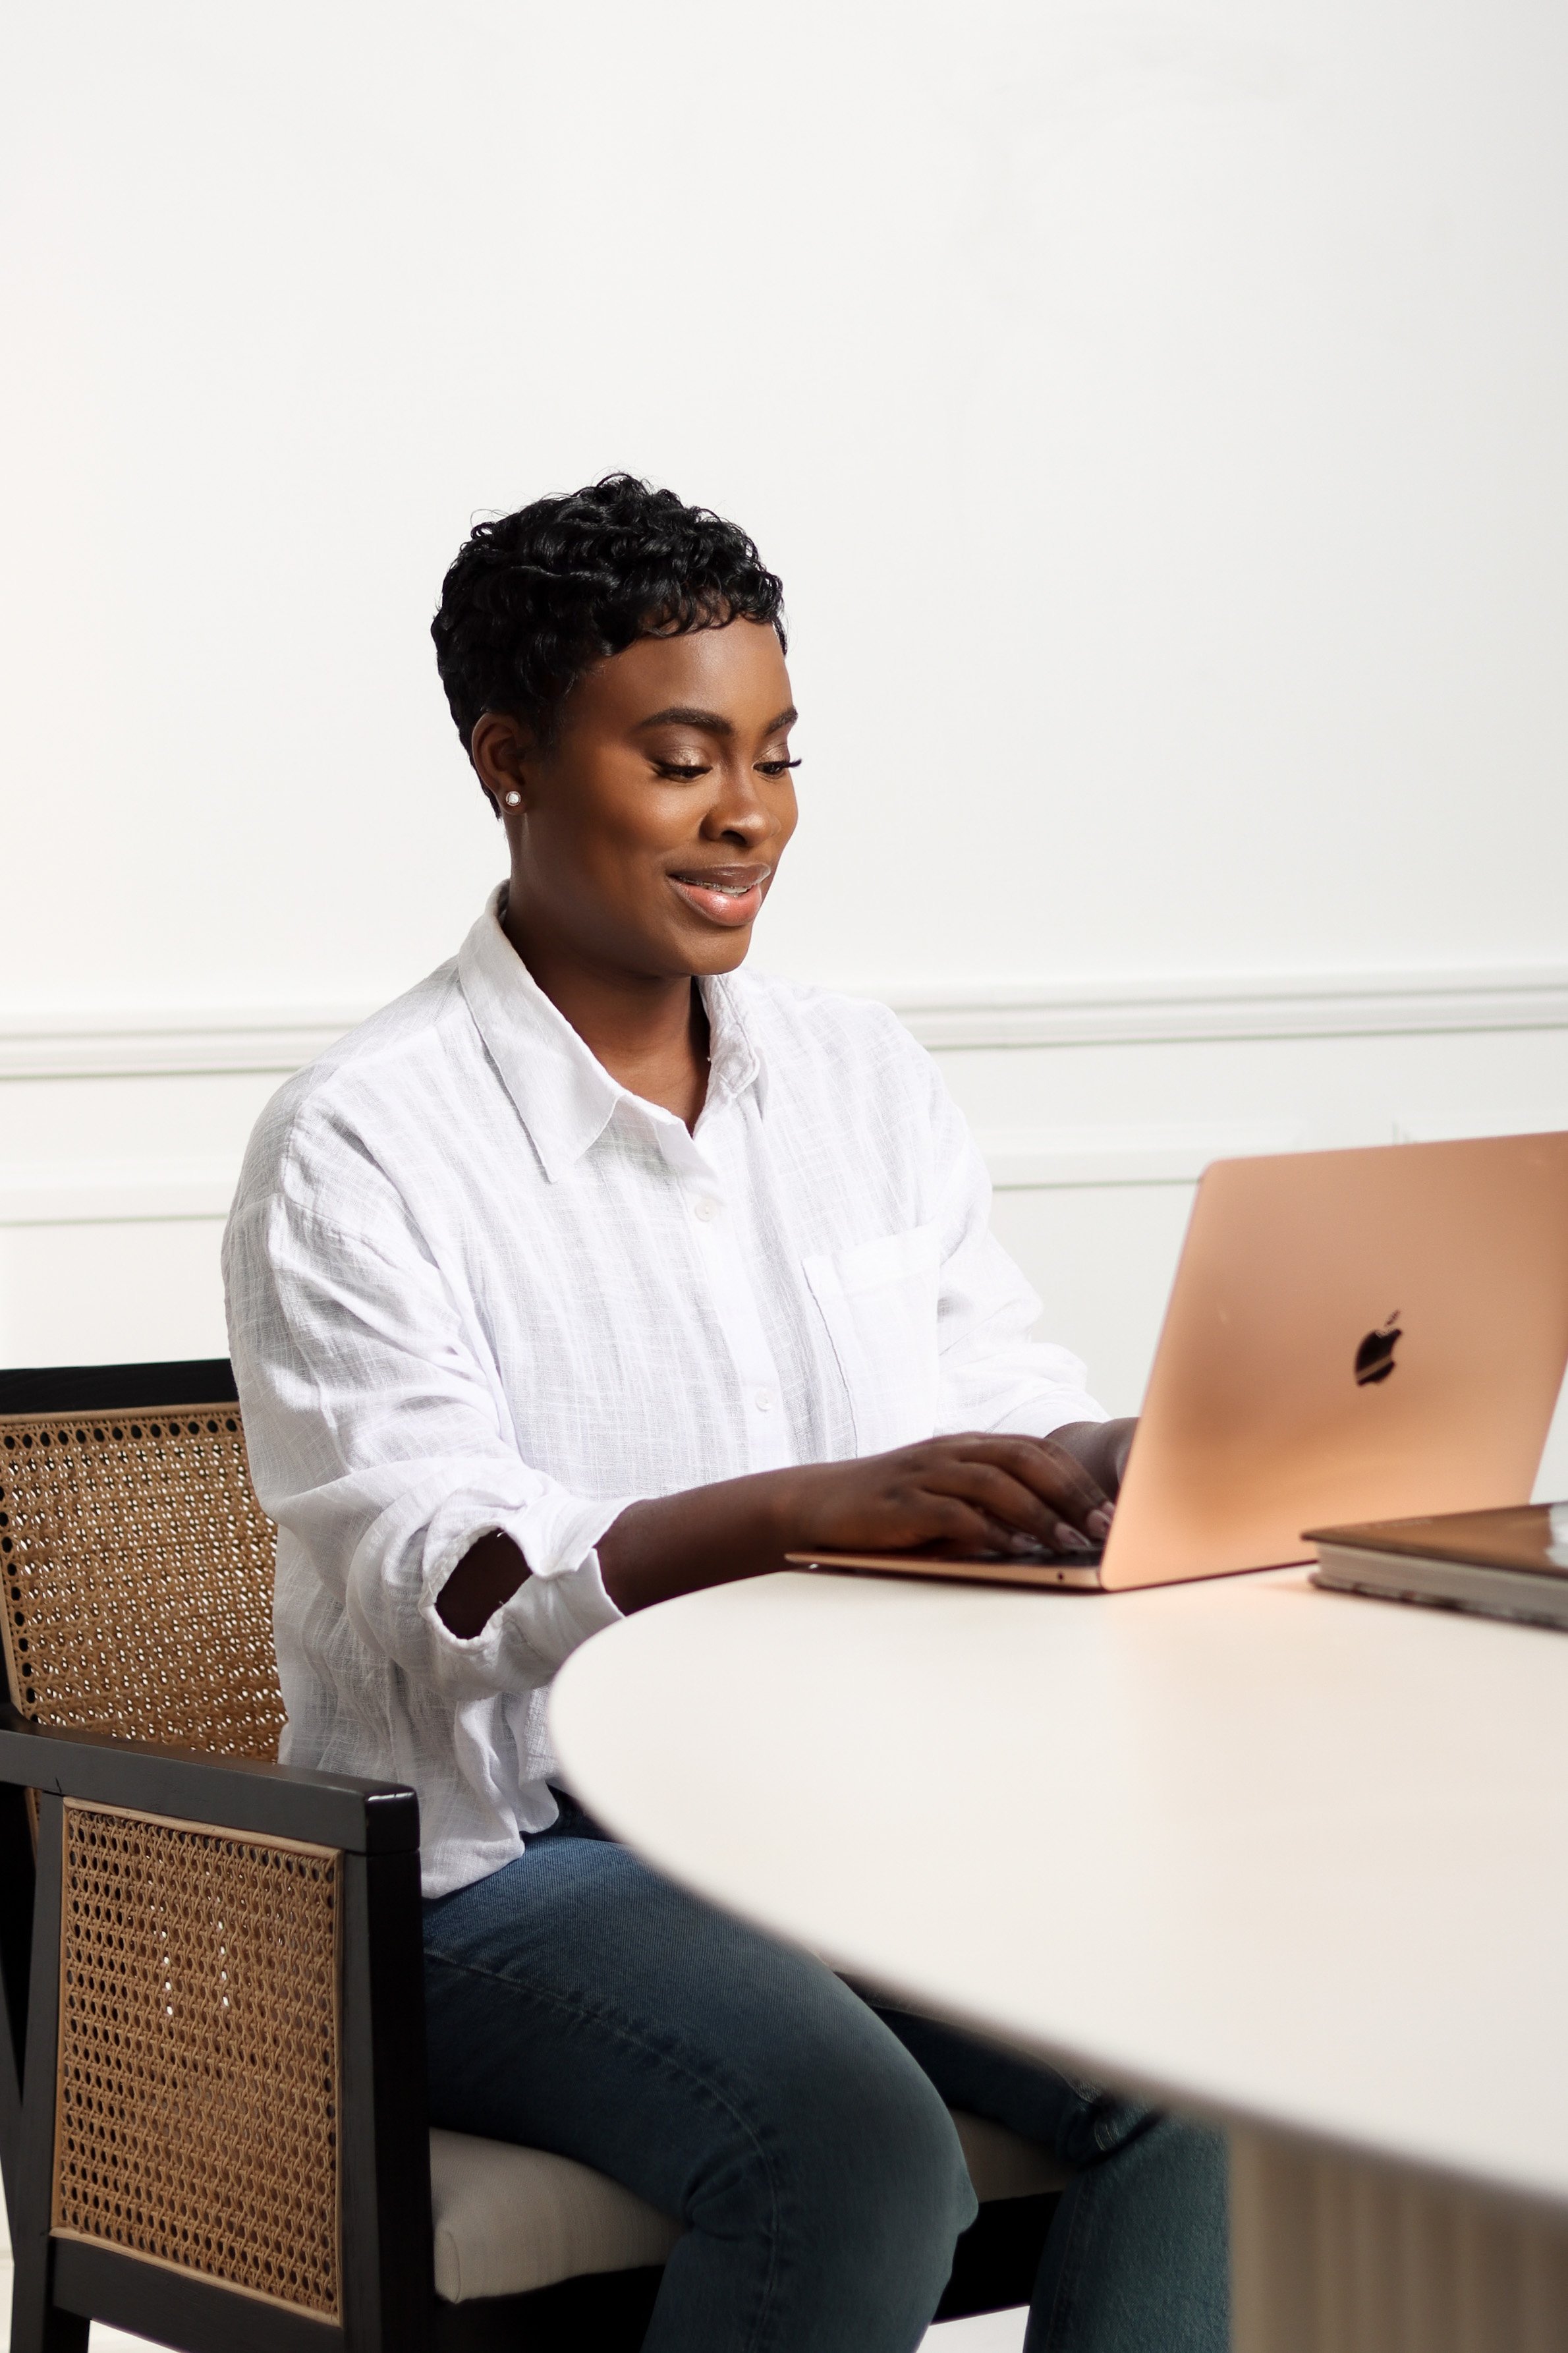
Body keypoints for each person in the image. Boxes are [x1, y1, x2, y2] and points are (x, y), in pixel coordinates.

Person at [223, 474, 1227, 2352]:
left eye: (773, 753)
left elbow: (988, 1388)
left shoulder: (858, 1074)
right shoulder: (360, 1140)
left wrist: (1099, 1467)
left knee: (1205, 2063)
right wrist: (796, 1510)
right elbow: (445, 1581)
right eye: (681, 756)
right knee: (847, 2146)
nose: (746, 812)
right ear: (508, 761)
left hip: (841, 1813)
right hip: (498, 1865)